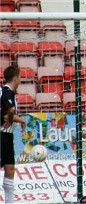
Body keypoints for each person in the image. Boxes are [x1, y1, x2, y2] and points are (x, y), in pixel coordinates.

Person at [0, 65, 26, 203]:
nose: (20, 80)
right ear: (15, 78)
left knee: (10, 168)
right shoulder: (7, 92)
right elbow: (8, 114)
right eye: (20, 77)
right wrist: (21, 120)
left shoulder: (9, 93)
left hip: (7, 136)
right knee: (8, 168)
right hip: (2, 135)